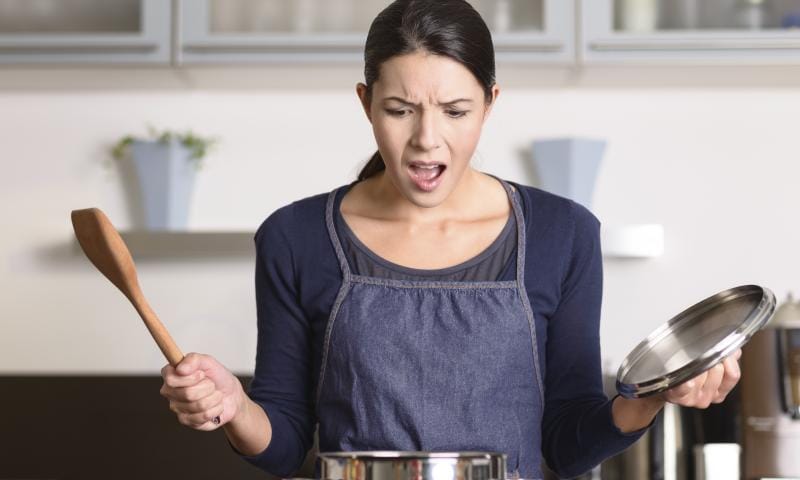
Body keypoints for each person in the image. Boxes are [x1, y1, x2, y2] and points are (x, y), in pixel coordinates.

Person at [159, 1, 742, 478]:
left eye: (456, 111)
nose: (426, 140)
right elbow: (285, 441)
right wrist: (235, 406)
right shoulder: (295, 236)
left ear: (491, 104)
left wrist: (656, 394)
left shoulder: (562, 234)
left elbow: (566, 442)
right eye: (399, 110)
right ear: (365, 105)